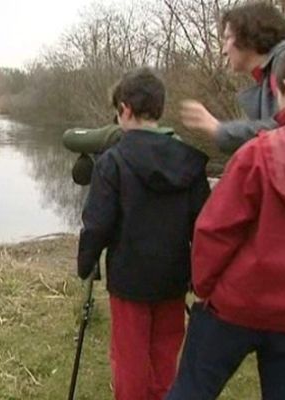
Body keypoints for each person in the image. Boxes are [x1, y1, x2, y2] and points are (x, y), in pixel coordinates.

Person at [166, 37, 285, 400]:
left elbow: (214, 231)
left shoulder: (258, 153)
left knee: (190, 391)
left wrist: (205, 289)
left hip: (235, 304)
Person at [77, 67, 210, 400]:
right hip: (173, 278)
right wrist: (201, 274)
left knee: (130, 360)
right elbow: (205, 224)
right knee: (165, 356)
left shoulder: (113, 162)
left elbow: (98, 223)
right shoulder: (189, 162)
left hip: (129, 281)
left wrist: (86, 261)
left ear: (124, 109)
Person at [181, 2, 285, 154]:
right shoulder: (273, 70)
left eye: (227, 38)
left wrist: (219, 129)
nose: (224, 51)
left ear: (248, 34)